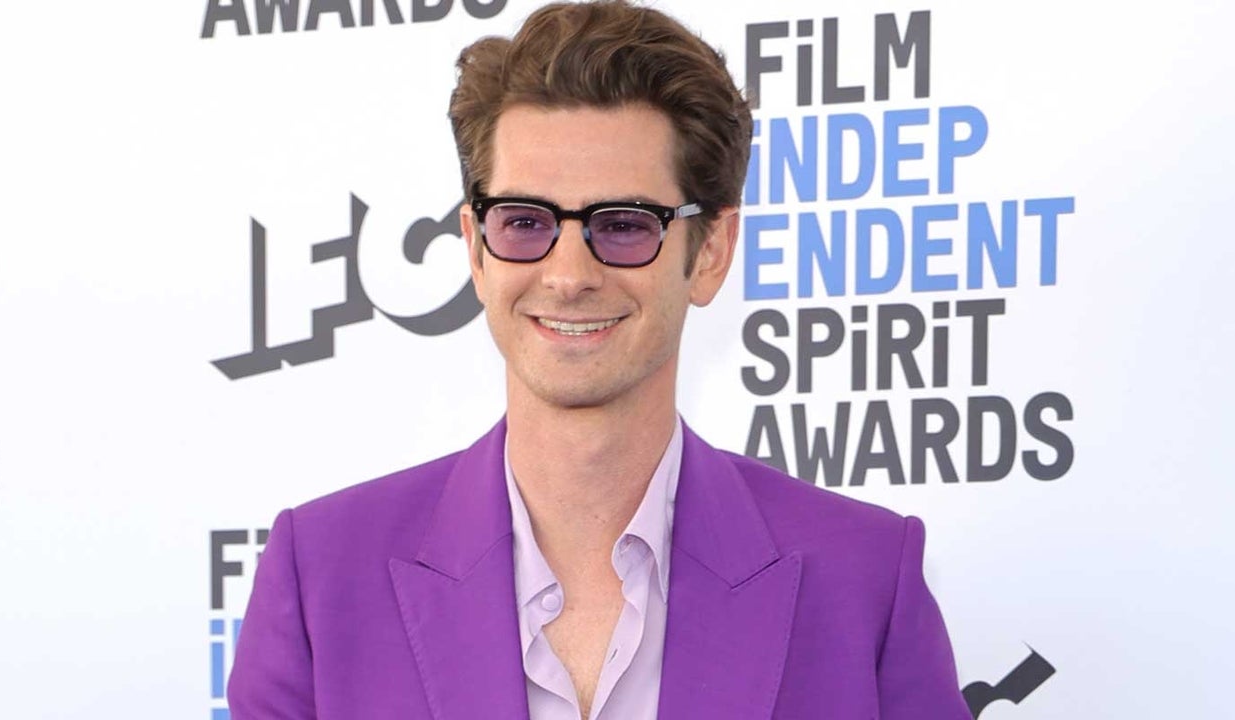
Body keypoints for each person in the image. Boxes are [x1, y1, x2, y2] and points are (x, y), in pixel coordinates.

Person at [228, 1, 972, 718]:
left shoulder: (865, 583)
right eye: (524, 222)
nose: (568, 275)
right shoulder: (321, 579)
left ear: (710, 252)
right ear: (477, 251)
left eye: (623, 225)